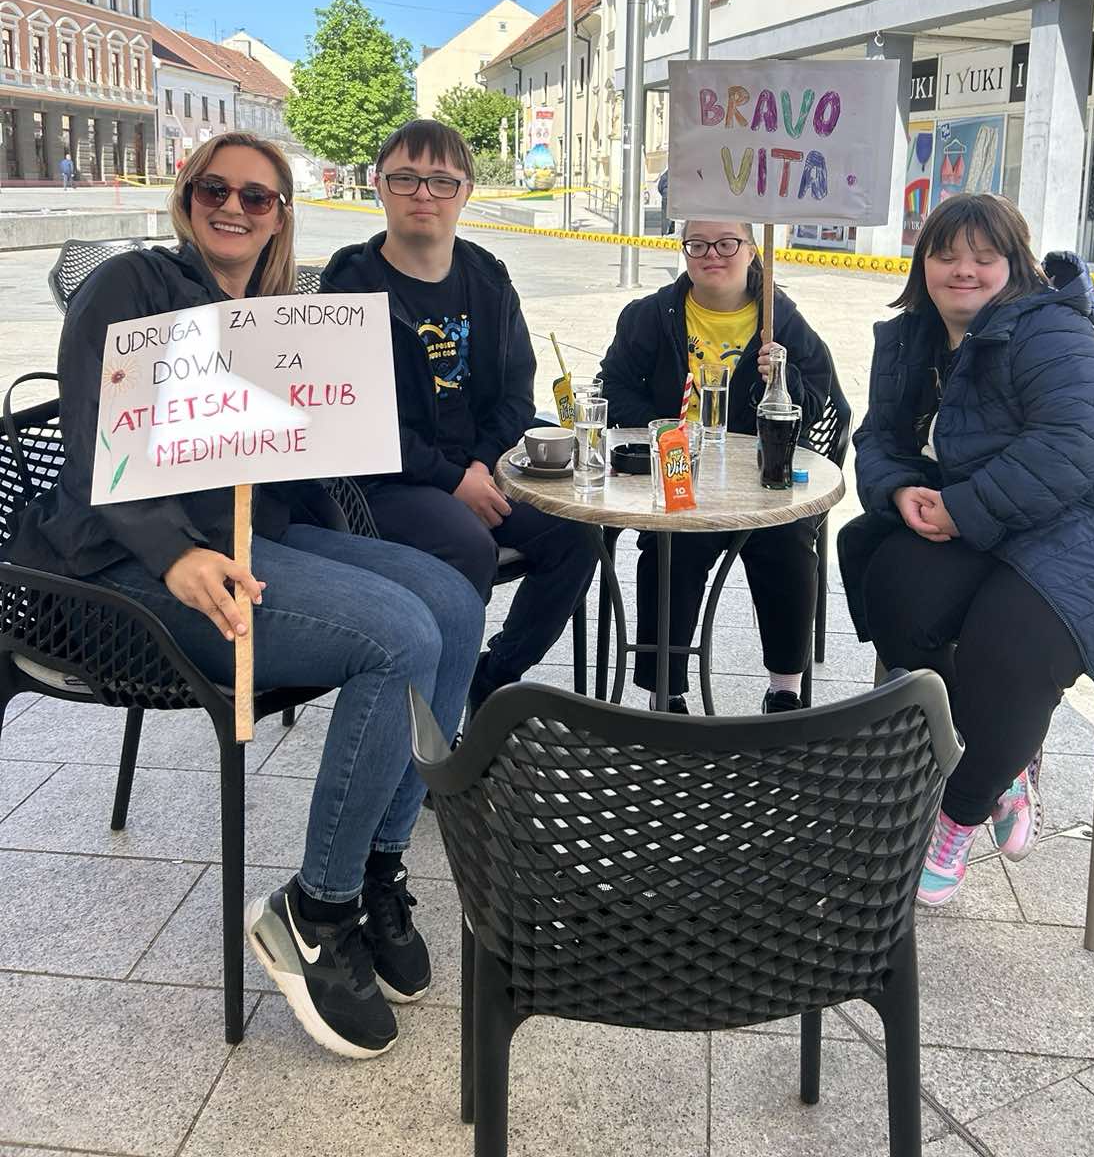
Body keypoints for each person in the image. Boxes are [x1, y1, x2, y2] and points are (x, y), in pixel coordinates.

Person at [4, 132, 485, 1061]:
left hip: (253, 536)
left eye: (257, 197)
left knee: (452, 600)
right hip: (122, 570)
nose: (235, 206)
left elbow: (295, 449)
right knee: (396, 636)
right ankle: (316, 909)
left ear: (279, 216)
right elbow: (94, 440)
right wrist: (172, 552)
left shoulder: (273, 312)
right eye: (216, 189)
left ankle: (382, 866)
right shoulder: (130, 287)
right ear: (187, 199)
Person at [839, 193, 1094, 907]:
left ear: (1016, 266)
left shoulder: (1051, 332)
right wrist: (901, 491)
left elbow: (1077, 441)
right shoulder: (914, 337)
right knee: (890, 577)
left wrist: (963, 509)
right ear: (923, 263)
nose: (962, 271)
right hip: (1011, 520)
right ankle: (1000, 754)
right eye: (946, 254)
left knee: (1007, 645)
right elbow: (879, 437)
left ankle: (957, 814)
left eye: (983, 256)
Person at [321, 119, 597, 711]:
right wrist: (451, 481)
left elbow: (518, 394)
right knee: (467, 546)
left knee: (577, 531)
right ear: (378, 186)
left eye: (441, 181)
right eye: (406, 179)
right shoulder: (350, 285)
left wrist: (481, 466)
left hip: (479, 468)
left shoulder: (487, 278)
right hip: (382, 481)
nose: (424, 194)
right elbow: (351, 417)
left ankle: (489, 677)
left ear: (466, 191)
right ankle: (434, 718)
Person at [599, 219, 833, 712]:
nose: (713, 254)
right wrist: (665, 429)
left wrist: (781, 382)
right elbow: (614, 383)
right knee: (671, 547)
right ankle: (667, 689)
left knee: (787, 539)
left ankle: (784, 690)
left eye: (728, 243)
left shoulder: (780, 319)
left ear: (751, 250)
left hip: (759, 469)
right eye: (698, 244)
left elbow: (820, 403)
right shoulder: (651, 315)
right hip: (678, 464)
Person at [657, 167, 671, 234]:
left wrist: (664, 194)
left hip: (666, 195)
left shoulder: (669, 171)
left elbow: (660, 186)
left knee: (665, 218)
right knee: (676, 217)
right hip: (676, 196)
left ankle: (664, 235)